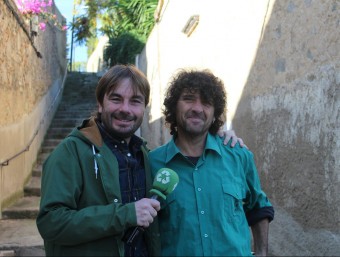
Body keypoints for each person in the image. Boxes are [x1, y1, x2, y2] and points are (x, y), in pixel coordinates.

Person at [36, 64, 242, 257]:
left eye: (135, 101)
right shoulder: (71, 152)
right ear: (100, 104)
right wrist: (126, 214)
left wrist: (218, 135)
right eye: (116, 99)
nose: (125, 109)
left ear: (144, 108)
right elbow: (50, 222)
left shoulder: (144, 155)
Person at [149, 69, 275, 256]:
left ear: (215, 113)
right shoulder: (152, 163)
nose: (198, 108)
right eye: (189, 98)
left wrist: (262, 253)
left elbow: (259, 207)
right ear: (174, 106)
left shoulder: (239, 156)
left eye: (206, 103)